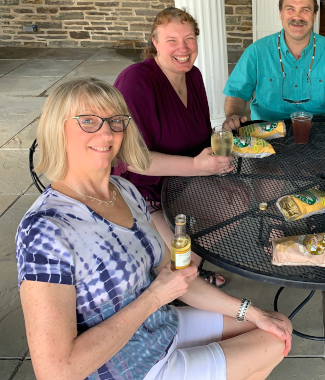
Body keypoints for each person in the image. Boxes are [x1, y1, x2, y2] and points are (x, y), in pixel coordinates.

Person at [16, 78, 292, 380]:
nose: (106, 132)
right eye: (88, 121)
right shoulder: (44, 230)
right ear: (59, 128)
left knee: (273, 325)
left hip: (159, 328)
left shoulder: (123, 190)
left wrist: (251, 312)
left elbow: (174, 277)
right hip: (126, 368)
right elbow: (55, 372)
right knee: (271, 343)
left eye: (115, 120)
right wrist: (154, 297)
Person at [114, 7, 230, 287]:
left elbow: (200, 137)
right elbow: (133, 159)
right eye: (172, 40)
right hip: (141, 187)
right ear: (154, 42)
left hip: (183, 180)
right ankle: (175, 285)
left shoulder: (194, 76)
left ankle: (188, 276)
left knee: (236, 201)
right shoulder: (136, 79)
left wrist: (217, 149)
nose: (183, 48)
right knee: (183, 254)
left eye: (190, 39)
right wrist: (195, 166)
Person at [222, 0, 325, 138]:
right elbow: (236, 94)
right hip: (266, 136)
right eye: (290, 9)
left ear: (314, 16)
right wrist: (233, 115)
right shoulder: (256, 52)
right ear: (280, 13)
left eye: (305, 10)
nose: (297, 17)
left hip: (318, 135)